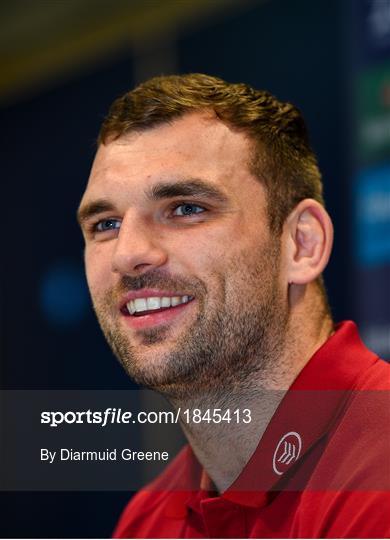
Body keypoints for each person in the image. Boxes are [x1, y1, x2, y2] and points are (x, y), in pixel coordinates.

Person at [77, 74, 390, 538]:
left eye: (185, 208)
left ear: (301, 245)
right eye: (106, 224)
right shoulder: (146, 522)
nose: (128, 254)